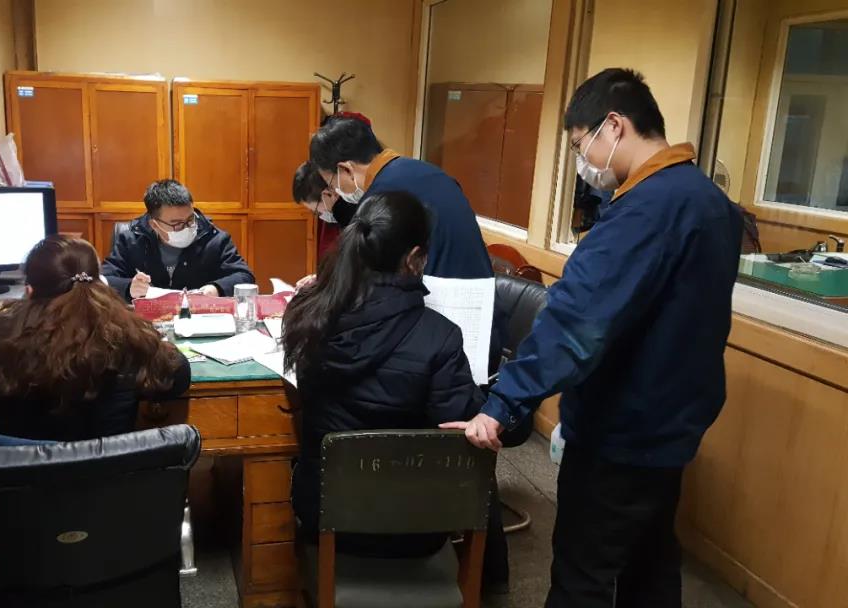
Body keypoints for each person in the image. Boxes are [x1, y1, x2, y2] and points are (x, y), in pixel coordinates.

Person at [441, 68, 743, 607]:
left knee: (583, 575)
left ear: (614, 125)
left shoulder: (644, 211)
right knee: (651, 567)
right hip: (674, 426)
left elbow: (575, 323)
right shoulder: (708, 200)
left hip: (620, 432)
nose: (584, 163)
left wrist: (503, 404)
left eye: (582, 146)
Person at [282, 190, 484, 557]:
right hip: (416, 526)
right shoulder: (440, 336)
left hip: (323, 512)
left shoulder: (307, 314)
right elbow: (460, 428)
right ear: (414, 259)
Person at [0, 236, 191, 441]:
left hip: (24, 471)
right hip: (109, 472)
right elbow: (179, 377)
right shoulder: (127, 334)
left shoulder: (4, 332)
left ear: (30, 290)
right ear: (99, 283)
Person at [308, 117, 494, 279]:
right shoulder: (424, 170)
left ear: (346, 170)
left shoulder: (380, 197)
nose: (336, 190)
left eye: (332, 183)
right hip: (484, 292)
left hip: (442, 299)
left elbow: (373, 275)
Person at [101, 179, 254, 300]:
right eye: (177, 224)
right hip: (147, 322)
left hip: (198, 319)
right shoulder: (131, 240)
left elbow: (244, 276)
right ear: (154, 225)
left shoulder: (214, 238)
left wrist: (216, 288)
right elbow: (103, 279)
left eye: (190, 219)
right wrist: (129, 287)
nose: (187, 227)